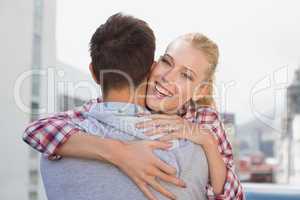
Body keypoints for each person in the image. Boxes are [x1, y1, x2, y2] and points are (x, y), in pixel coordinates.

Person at [23, 13, 244, 200]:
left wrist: (205, 139)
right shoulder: (111, 106)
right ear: (152, 66)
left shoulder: (203, 119)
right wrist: (120, 152)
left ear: (201, 90)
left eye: (185, 75)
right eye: (167, 62)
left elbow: (231, 194)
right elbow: (37, 130)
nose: (167, 77)